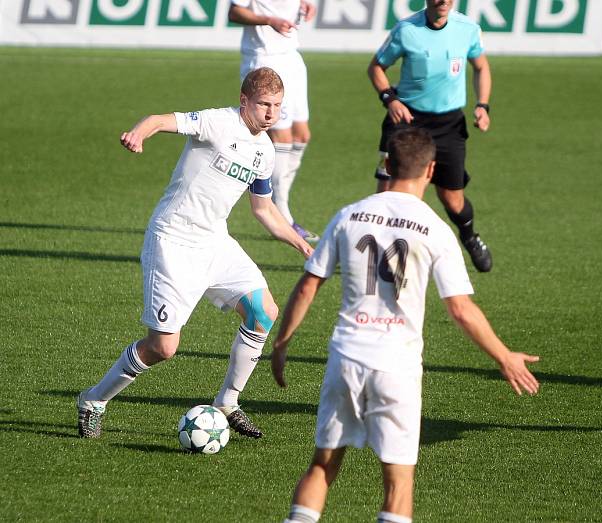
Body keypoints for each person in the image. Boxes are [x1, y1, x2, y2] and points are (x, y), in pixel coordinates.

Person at [271, 128, 540, 523]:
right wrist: (503, 356)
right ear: (431, 170)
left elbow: (309, 284)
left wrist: (281, 345)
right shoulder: (435, 230)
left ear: (386, 164)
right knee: (398, 484)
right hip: (396, 365)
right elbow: (462, 310)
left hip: (347, 356)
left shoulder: (349, 215)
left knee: (322, 467)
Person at [76, 67, 314, 440]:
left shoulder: (265, 151)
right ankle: (93, 401)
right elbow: (159, 119)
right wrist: (139, 133)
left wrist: (302, 245)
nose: (272, 114)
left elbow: (264, 210)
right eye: (264, 105)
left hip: (215, 242)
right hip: (173, 240)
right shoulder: (217, 122)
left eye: (278, 106)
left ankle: (227, 403)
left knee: (263, 311)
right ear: (244, 100)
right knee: (163, 347)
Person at [367, 0, 493, 273]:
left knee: (452, 199)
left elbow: (481, 67)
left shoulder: (468, 29)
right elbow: (376, 67)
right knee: (388, 191)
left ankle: (470, 237)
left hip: (449, 124)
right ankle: (386, 254)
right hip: (407, 121)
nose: (443, 1)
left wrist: (482, 105)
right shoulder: (406, 30)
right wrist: (390, 100)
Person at [229, 0, 320, 242]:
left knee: (302, 135)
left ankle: (279, 204)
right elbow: (235, 11)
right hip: (264, 57)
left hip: (291, 55)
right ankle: (282, 216)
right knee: (282, 136)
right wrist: (270, 20)